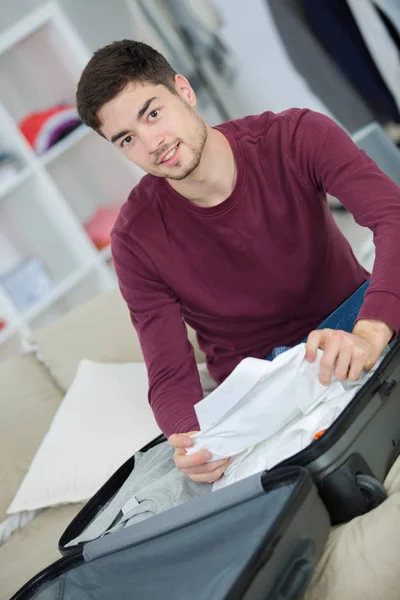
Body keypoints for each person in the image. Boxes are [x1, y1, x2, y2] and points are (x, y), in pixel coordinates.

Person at [76, 40, 400, 483]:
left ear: (183, 91)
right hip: (260, 384)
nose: (152, 143)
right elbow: (170, 370)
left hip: (355, 322)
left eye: (152, 113)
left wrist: (369, 333)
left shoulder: (296, 135)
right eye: (127, 139)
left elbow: (393, 219)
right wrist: (189, 436)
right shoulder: (134, 240)